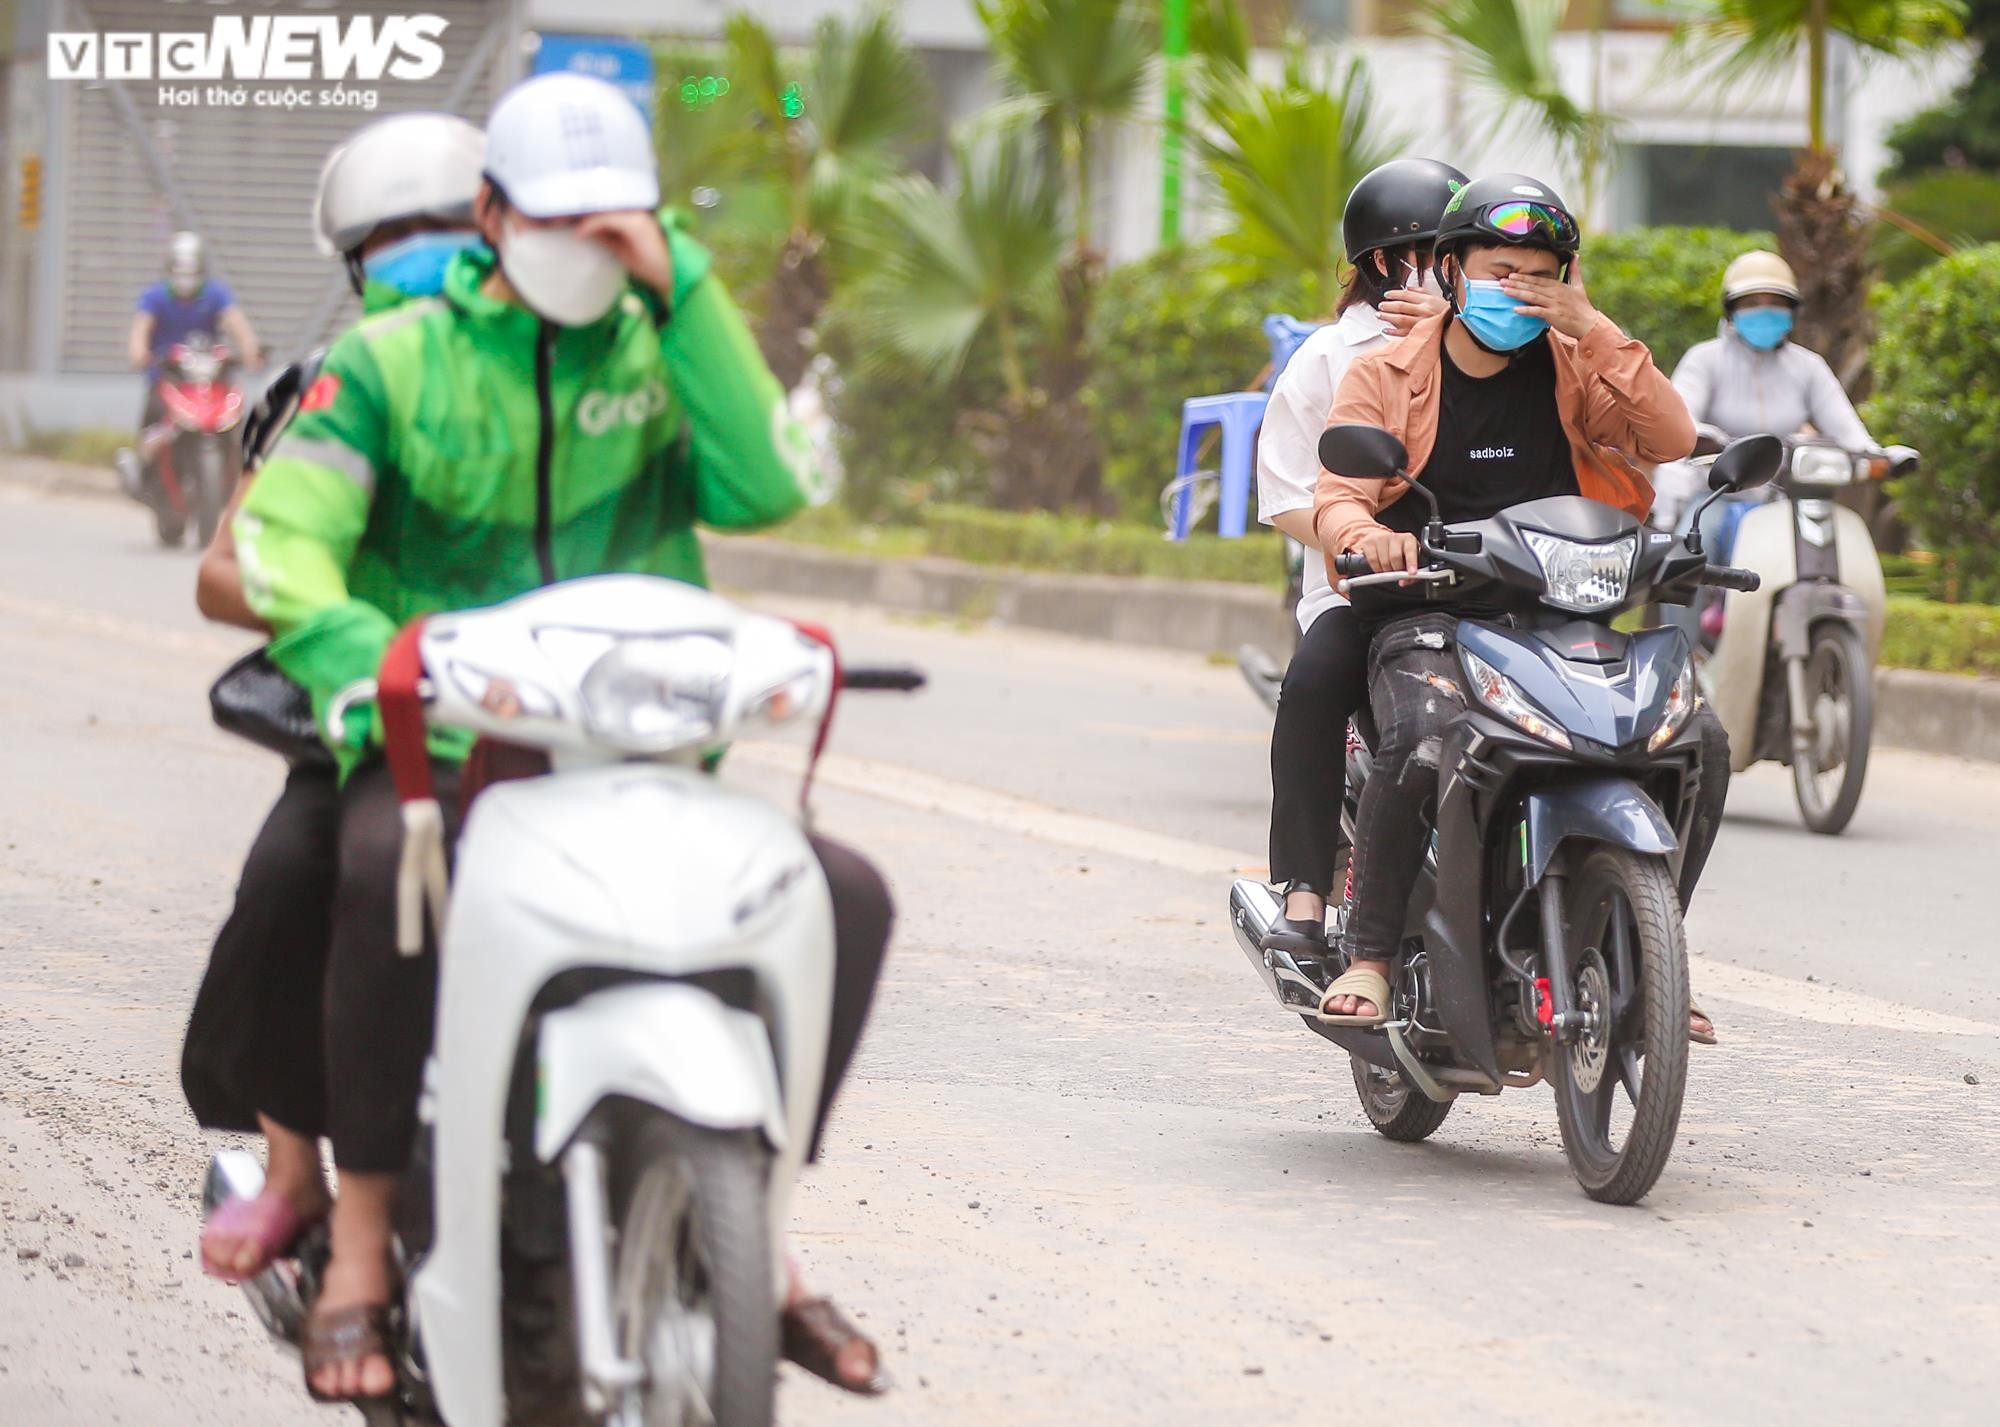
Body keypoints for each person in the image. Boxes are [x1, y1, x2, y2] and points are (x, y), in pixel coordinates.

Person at [229, 73, 890, 1402]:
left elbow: (766, 482)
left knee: (843, 892)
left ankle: (759, 1224)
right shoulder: (394, 362)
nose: (585, 244)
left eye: (615, 220)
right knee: (378, 877)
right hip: (442, 750)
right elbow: (282, 539)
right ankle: (357, 1247)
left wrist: (681, 282)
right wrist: (369, 666)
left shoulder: (657, 357)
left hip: (635, 756)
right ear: (491, 214)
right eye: (555, 218)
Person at [1310, 173, 1724, 1043]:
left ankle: (1652, 952)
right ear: (1452, 272)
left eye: (1542, 276)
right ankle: (1371, 955)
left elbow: (1673, 438)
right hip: (1430, 613)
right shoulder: (1384, 373)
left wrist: (1591, 325)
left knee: (1699, 741)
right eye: (1502, 273)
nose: (1521, 292)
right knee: (1422, 737)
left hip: (1562, 616)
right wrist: (1369, 536)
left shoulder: (1578, 365)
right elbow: (1339, 496)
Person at [184, 112, 490, 1293]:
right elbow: (226, 568)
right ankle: (294, 1166)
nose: (424, 254)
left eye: (450, 227)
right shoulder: (330, 386)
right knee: (291, 880)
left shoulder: (552, 371)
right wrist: (344, 623)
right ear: (357, 263)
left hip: (539, 714)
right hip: (375, 721)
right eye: (393, 237)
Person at [1257, 158, 1463, 957]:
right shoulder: (1327, 359)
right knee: (1313, 682)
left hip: (1485, 582)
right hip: (1367, 592)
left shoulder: (1492, 346)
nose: (1456, 267)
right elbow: (1286, 495)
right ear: (1383, 262)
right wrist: (1363, 539)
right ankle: (1305, 888)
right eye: (1438, 251)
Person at [1661, 249, 1880, 562]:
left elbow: (1847, 428)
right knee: (1687, 557)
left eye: (1776, 303)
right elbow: (1679, 418)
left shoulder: (1809, 367)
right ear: (1731, 310)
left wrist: (1878, 455)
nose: (1764, 311)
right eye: (1751, 303)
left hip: (1785, 499)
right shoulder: (1704, 360)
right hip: (1715, 496)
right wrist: (1702, 439)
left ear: (1792, 310)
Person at [124, 233, 262, 488]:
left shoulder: (214, 295)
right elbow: (141, 328)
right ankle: (142, 468)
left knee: (237, 419)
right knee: (153, 419)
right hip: (168, 378)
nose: (186, 278)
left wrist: (250, 351)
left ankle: (243, 475)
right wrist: (138, 352)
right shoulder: (156, 297)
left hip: (207, 379)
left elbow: (237, 323)